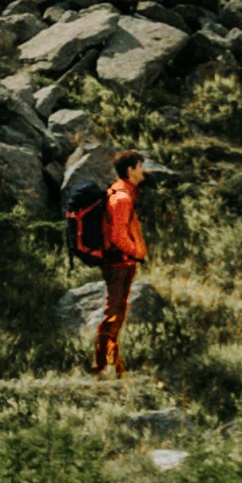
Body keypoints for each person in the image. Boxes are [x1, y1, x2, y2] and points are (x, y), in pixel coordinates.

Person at [89, 151, 149, 381]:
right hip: (119, 262)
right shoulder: (122, 198)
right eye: (140, 166)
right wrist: (137, 252)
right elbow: (118, 235)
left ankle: (114, 365)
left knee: (117, 313)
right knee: (114, 312)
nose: (143, 171)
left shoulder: (120, 191)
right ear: (130, 170)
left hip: (120, 261)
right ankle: (100, 365)